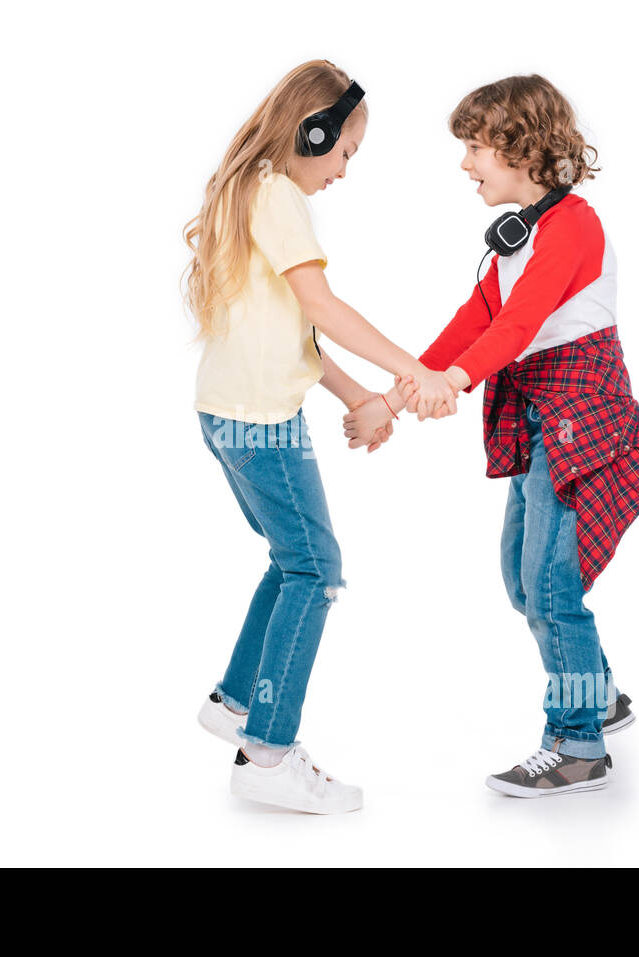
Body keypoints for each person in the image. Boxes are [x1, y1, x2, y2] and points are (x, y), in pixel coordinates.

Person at [344, 74, 639, 797]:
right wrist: (397, 397)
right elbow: (475, 322)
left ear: (522, 147)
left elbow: (519, 325)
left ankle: (580, 742)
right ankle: (599, 692)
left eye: (475, 148)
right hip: (536, 417)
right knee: (522, 581)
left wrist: (452, 384)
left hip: (579, 418)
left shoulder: (575, 226)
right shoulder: (515, 240)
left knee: (552, 588)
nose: (466, 165)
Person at [183, 60, 453, 814]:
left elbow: (290, 332)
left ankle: (238, 699)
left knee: (292, 558)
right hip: (261, 424)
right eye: (343, 152)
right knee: (316, 567)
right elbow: (323, 309)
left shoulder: (250, 193)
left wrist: (361, 392)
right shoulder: (279, 199)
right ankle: (267, 750)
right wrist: (415, 368)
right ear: (315, 130)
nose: (343, 169)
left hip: (230, 414)